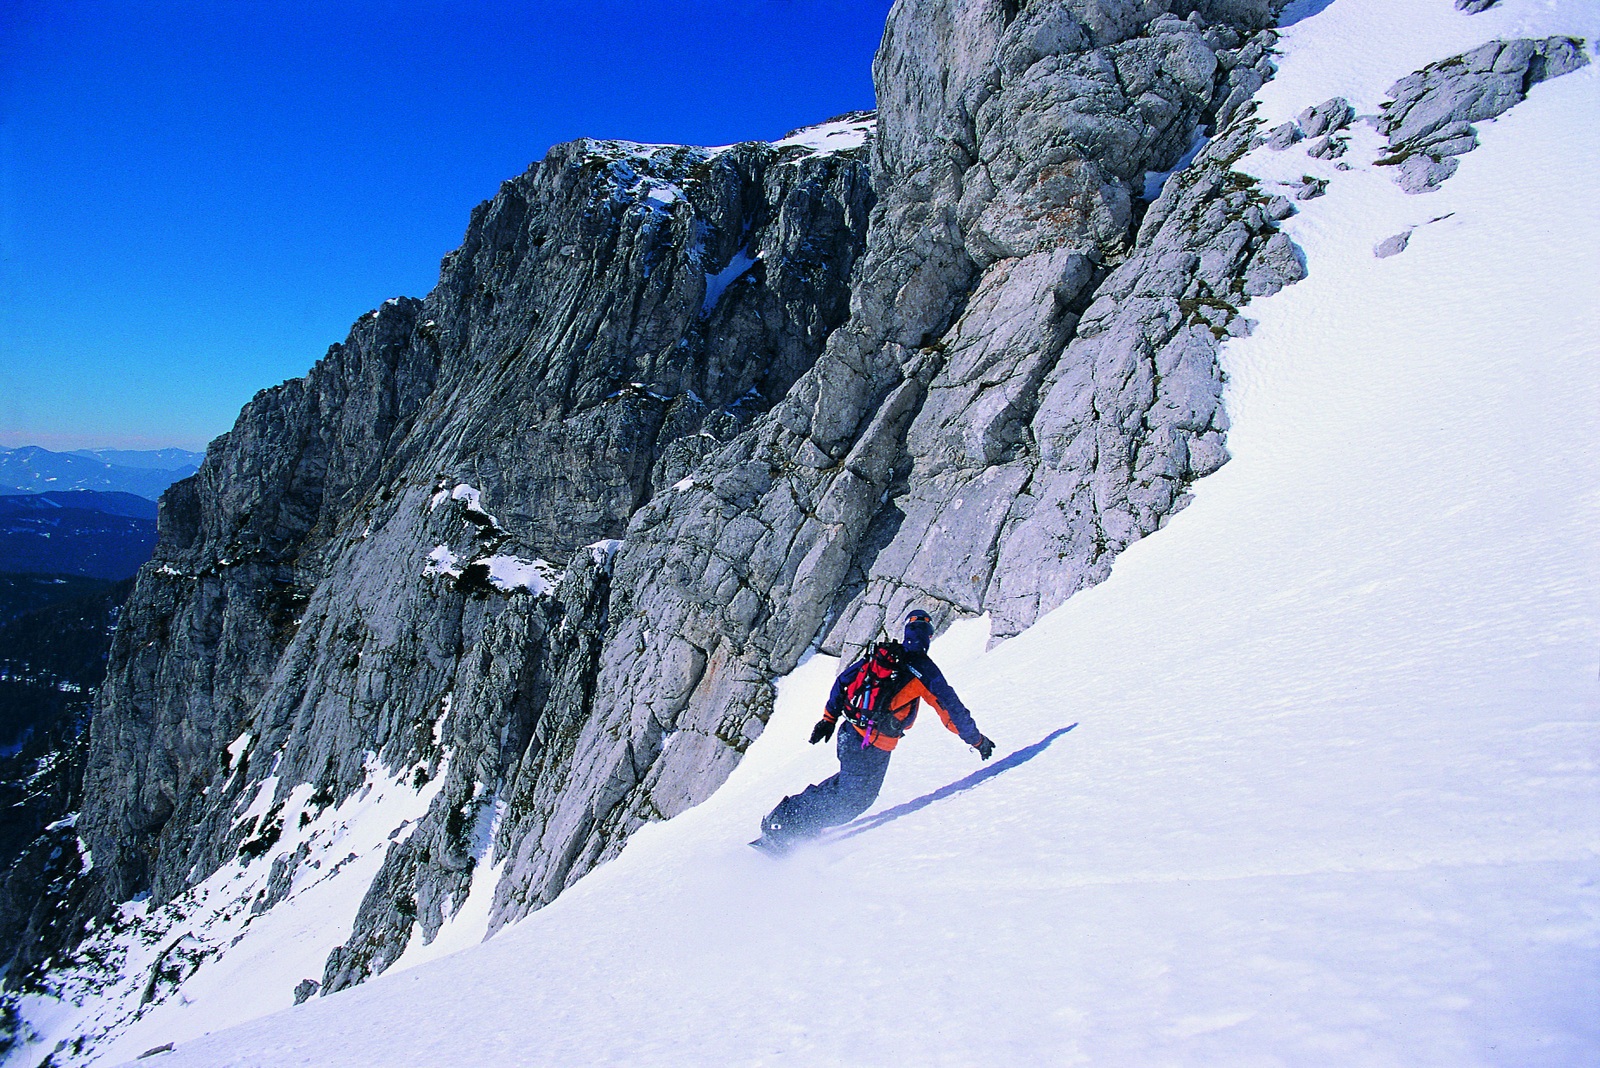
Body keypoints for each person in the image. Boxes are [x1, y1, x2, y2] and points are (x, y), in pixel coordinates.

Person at [756, 608, 994, 850]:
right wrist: (977, 740)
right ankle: (785, 826)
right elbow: (952, 711)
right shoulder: (925, 671)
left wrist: (828, 719)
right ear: (929, 636)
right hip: (870, 746)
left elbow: (843, 680)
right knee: (853, 799)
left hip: (851, 733)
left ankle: (794, 823)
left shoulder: (884, 656)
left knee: (846, 788)